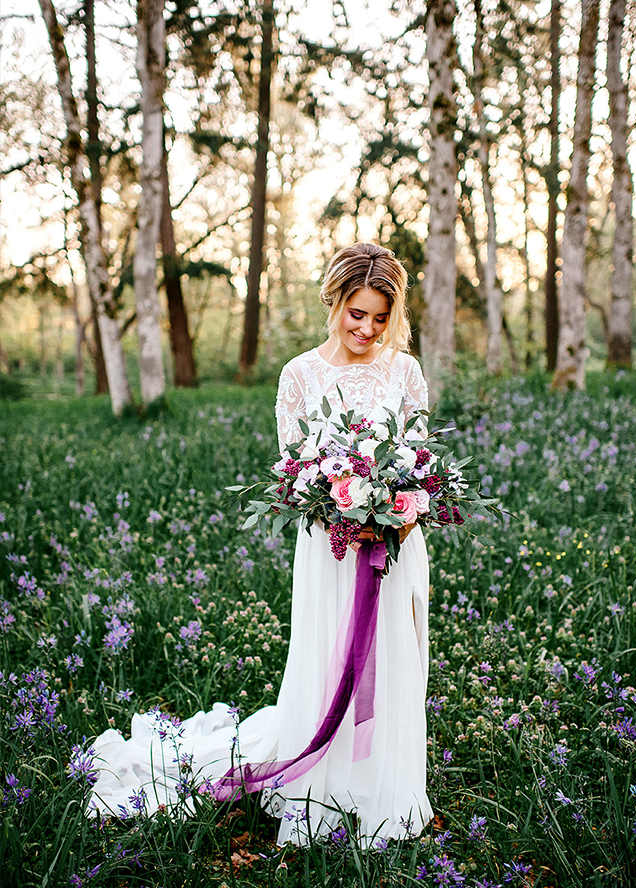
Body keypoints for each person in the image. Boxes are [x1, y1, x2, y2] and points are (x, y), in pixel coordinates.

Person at [90, 243, 432, 846]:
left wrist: (402, 510)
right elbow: (296, 473)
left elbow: (418, 459)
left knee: (393, 659)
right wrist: (343, 507)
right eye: (357, 313)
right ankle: (321, 787)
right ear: (334, 302)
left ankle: (383, 788)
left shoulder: (404, 372)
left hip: (394, 545)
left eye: (381, 317)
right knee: (327, 660)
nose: (367, 329)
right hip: (331, 547)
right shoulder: (300, 375)